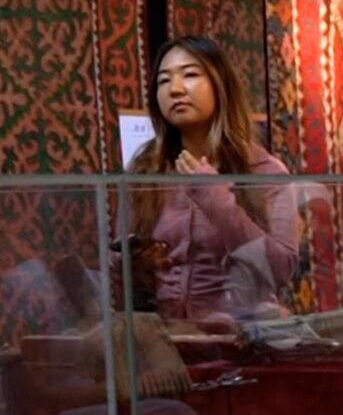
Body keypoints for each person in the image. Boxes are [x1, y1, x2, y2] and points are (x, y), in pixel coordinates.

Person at [129, 35, 300, 324]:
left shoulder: (264, 171)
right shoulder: (144, 170)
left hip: (239, 335)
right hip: (165, 337)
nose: (175, 89)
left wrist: (213, 197)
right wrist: (137, 263)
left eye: (190, 75)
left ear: (221, 85)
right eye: (164, 80)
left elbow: (280, 270)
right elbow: (121, 267)